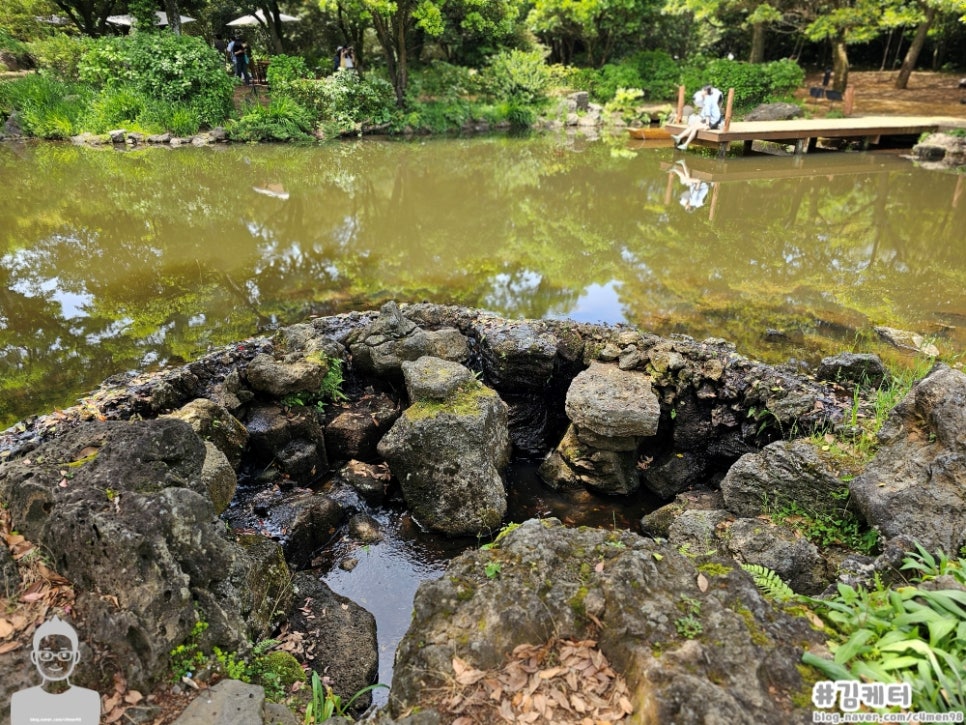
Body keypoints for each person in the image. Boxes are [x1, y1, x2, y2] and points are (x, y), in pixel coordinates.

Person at [10, 616, 101, 724]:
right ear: (34, 657)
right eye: (46, 655)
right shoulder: (21, 702)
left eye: (64, 655)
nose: (55, 662)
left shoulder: (89, 700)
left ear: (76, 657)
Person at [672, 86, 722, 150]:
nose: (701, 91)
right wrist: (699, 121)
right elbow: (703, 114)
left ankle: (685, 145)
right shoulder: (708, 99)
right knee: (693, 125)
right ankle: (679, 137)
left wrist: (707, 125)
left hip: (713, 122)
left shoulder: (708, 100)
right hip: (709, 120)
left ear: (706, 92)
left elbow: (707, 114)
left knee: (695, 128)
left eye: (702, 90)